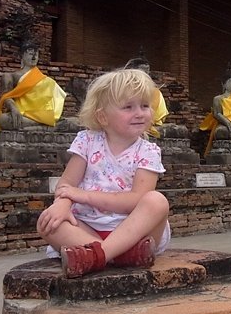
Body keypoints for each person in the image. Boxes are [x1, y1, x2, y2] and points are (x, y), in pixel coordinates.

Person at [36, 69, 170, 278]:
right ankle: (118, 256)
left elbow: (136, 199)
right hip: (87, 228)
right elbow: (66, 184)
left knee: (156, 201)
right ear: (103, 117)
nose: (140, 113)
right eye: (128, 107)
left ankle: (99, 256)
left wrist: (84, 196)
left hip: (133, 231)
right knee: (46, 222)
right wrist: (62, 205)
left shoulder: (148, 151)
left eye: (145, 106)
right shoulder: (87, 142)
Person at [0, 42, 70, 144]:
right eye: (30, 53)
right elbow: (5, 96)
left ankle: (45, 124)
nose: (34, 56)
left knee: (74, 123)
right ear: (21, 56)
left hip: (42, 114)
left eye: (36, 54)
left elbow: (54, 102)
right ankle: (48, 126)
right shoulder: (10, 76)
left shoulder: (45, 79)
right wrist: (13, 107)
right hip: (23, 114)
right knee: (2, 119)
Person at [123, 51, 187, 139]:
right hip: (126, 126)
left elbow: (159, 120)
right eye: (141, 73)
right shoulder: (121, 91)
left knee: (180, 130)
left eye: (147, 73)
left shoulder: (155, 92)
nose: (144, 76)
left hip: (150, 127)